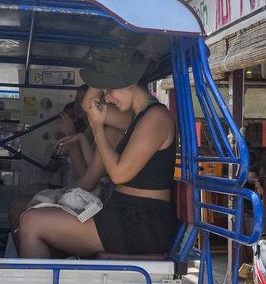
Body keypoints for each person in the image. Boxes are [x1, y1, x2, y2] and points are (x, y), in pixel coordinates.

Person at [18, 48, 177, 258]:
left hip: (141, 223)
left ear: (130, 82)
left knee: (32, 223)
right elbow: (88, 105)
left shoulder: (156, 117)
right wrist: (102, 70)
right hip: (123, 212)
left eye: (110, 89)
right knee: (31, 216)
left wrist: (97, 128)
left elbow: (120, 174)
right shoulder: (138, 117)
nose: (107, 97)